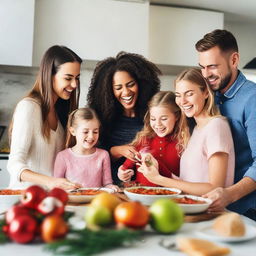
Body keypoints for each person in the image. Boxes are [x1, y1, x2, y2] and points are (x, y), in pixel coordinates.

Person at [138, 68, 235, 196]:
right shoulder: (195, 129)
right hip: (191, 207)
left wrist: (159, 179)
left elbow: (215, 188)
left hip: (210, 213)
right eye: (178, 95)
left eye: (189, 94)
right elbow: (187, 183)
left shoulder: (216, 126)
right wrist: (157, 168)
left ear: (206, 92)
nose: (182, 101)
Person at [195, 29, 256, 220]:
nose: (205, 74)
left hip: (247, 210)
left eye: (212, 66)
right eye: (202, 67)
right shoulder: (209, 95)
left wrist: (229, 194)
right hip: (213, 207)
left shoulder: (252, 98)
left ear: (234, 60)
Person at [7, 45, 82, 190]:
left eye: (77, 78)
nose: (74, 84)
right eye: (68, 78)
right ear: (49, 75)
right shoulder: (29, 107)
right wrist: (50, 181)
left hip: (50, 200)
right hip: (24, 200)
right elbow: (14, 164)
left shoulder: (61, 112)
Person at [87, 51, 161, 184]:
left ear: (141, 84)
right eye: (118, 88)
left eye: (130, 84)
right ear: (109, 91)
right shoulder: (101, 118)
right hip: (110, 189)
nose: (126, 92)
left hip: (147, 188)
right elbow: (88, 157)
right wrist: (117, 151)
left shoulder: (154, 116)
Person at [117, 91, 180, 186]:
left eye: (163, 119)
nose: (158, 124)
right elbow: (126, 167)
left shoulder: (182, 143)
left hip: (170, 197)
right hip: (141, 194)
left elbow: (183, 181)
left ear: (176, 116)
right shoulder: (144, 139)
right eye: (153, 119)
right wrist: (122, 174)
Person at [53, 107, 119, 191]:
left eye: (95, 132)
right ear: (73, 131)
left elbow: (107, 184)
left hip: (96, 201)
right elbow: (57, 186)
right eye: (85, 132)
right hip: (73, 202)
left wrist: (112, 187)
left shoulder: (103, 155)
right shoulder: (63, 156)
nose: (91, 136)